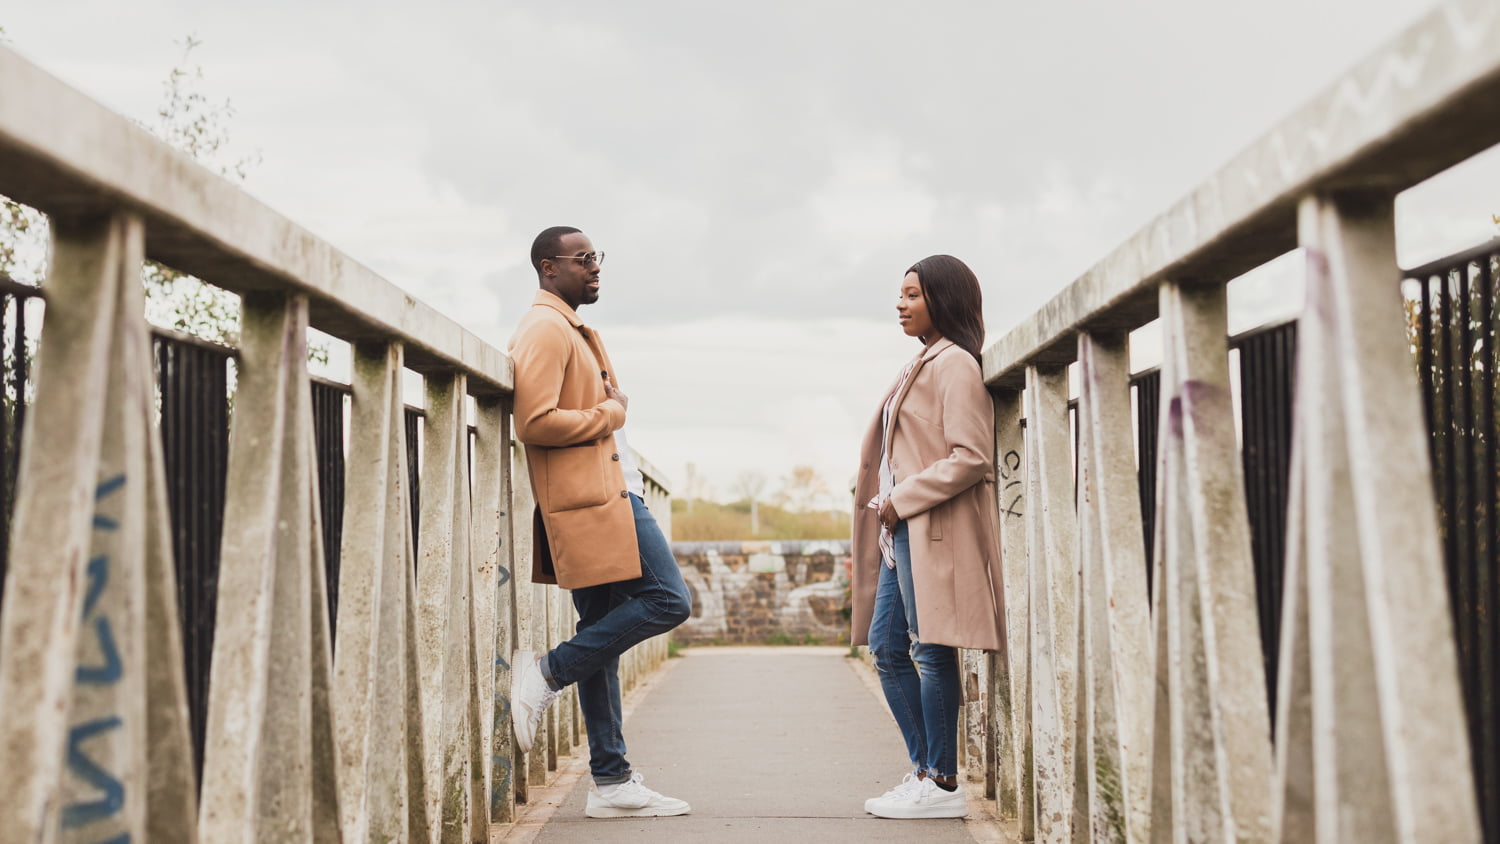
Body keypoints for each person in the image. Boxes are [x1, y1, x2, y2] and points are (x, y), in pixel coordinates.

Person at [507, 226, 692, 819]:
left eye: (597, 258)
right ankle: (546, 672)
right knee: (668, 600)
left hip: (605, 494)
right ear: (547, 267)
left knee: (603, 635)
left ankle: (611, 783)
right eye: (582, 259)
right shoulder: (543, 328)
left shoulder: (572, 328)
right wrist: (610, 413)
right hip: (599, 501)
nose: (595, 268)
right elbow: (534, 422)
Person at [850, 254, 1007, 819]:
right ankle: (924, 772)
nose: (900, 303)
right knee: (888, 648)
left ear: (942, 298)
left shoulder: (955, 364)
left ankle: (941, 783)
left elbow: (971, 458)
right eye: (900, 294)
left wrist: (900, 499)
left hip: (926, 526)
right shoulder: (923, 361)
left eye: (912, 294)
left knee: (929, 649)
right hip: (902, 531)